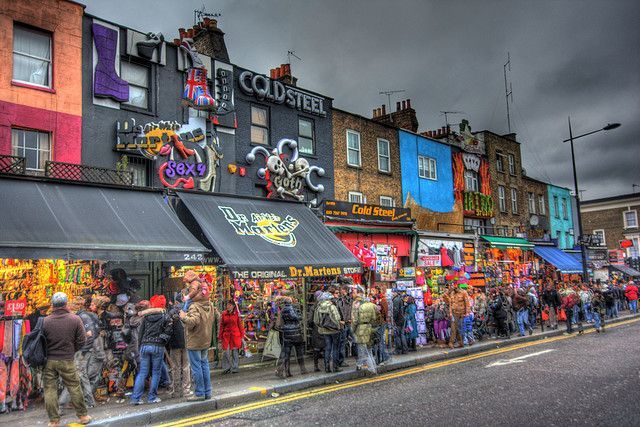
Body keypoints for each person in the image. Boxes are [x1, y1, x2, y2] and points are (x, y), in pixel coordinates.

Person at [42, 292, 91, 427]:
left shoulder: (45, 321)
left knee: (50, 389)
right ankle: (83, 416)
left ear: (52, 305)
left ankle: (54, 421)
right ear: (66, 304)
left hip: (50, 360)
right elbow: (82, 340)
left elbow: (41, 342)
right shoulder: (75, 319)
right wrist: (72, 350)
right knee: (74, 387)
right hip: (67, 359)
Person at [130, 295, 173, 405]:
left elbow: (141, 333)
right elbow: (168, 332)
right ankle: (152, 397)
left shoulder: (146, 317)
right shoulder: (165, 317)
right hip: (157, 346)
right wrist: (162, 341)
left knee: (143, 372)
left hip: (144, 345)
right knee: (156, 372)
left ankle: (135, 398)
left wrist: (140, 346)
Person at [59, 297, 100, 410]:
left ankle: (64, 404)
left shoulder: (83, 317)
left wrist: (82, 351)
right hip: (80, 351)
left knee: (79, 376)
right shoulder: (80, 317)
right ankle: (88, 401)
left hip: (82, 352)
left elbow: (90, 336)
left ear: (74, 308)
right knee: (81, 376)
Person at [180, 288, 217, 401]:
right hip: (205, 340)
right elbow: (217, 316)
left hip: (195, 341)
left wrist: (183, 316)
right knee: (204, 365)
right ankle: (207, 391)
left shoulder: (195, 306)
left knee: (196, 368)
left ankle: (199, 393)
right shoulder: (209, 304)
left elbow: (192, 322)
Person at [275, 297, 307, 378]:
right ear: (290, 302)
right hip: (295, 333)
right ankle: (303, 369)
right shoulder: (292, 309)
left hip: (286, 333)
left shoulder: (282, 310)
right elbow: (296, 317)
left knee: (287, 354)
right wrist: (299, 315)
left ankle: (287, 371)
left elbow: (279, 323)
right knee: (299, 352)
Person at [167, 297, 191, 398]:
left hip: (174, 343)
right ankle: (186, 390)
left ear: (175, 302)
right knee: (186, 367)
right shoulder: (188, 311)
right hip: (186, 342)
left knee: (175, 368)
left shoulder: (170, 313)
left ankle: (176, 390)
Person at [313, 292, 342, 373]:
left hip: (324, 330)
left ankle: (327, 367)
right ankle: (335, 367)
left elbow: (316, 320)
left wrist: (321, 326)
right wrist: (338, 326)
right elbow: (337, 318)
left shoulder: (318, 307)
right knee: (335, 348)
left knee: (327, 348)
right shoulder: (331, 306)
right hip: (334, 330)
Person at [352, 293, 379, 374]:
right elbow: (376, 317)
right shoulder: (373, 305)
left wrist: (352, 330)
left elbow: (355, 320)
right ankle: (374, 367)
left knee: (364, 351)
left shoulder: (358, 307)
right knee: (369, 350)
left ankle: (371, 370)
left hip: (361, 330)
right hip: (370, 328)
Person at [218, 300, 244, 375]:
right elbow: (221, 326)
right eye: (227, 305)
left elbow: (240, 325)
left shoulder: (236, 314)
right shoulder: (224, 314)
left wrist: (242, 336)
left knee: (235, 352)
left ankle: (235, 367)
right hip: (226, 336)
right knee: (226, 352)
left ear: (233, 306)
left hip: (235, 335)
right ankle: (226, 368)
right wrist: (220, 336)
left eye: (229, 305)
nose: (228, 306)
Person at [335, 286, 353, 367]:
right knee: (342, 342)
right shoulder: (340, 301)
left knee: (344, 342)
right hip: (344, 324)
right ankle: (340, 361)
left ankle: (341, 360)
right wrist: (345, 320)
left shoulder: (348, 300)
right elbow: (341, 311)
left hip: (347, 323)